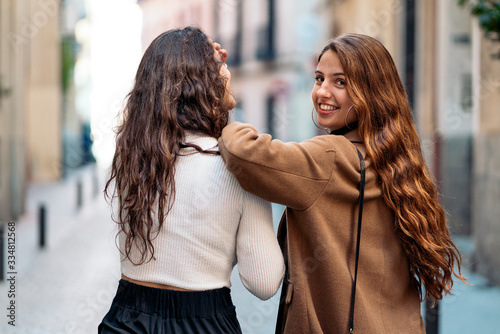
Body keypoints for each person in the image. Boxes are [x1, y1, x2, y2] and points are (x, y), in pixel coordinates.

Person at [218, 33, 466, 334]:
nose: (322, 91)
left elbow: (244, 155)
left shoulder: (331, 157)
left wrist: (222, 102)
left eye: (341, 82)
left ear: (370, 91)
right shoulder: (397, 158)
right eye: (319, 78)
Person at [98, 26, 285, 334]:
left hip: (125, 319)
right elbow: (264, 282)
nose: (227, 69)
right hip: (203, 322)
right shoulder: (237, 167)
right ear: (204, 82)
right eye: (220, 64)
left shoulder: (135, 157)